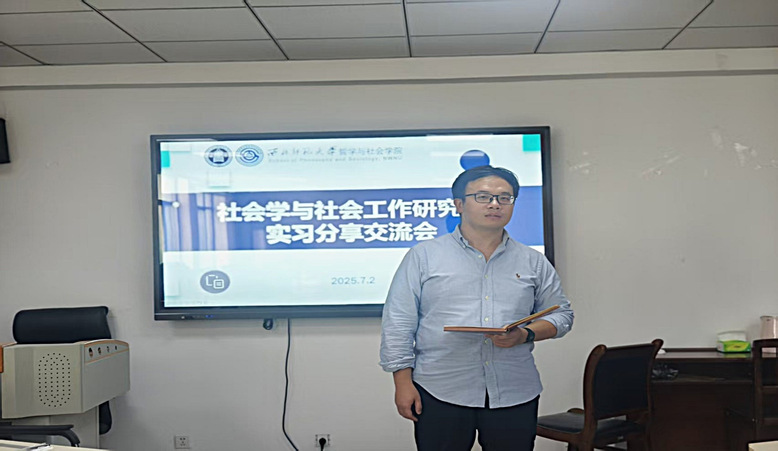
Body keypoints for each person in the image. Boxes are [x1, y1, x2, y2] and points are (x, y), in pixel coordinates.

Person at [380, 165, 574, 451]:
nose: (495, 204)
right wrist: (402, 382)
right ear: (459, 204)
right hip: (439, 388)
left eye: (505, 198)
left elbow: (562, 315)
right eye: (483, 197)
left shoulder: (533, 261)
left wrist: (525, 335)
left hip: (514, 390)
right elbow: (398, 322)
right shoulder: (424, 256)